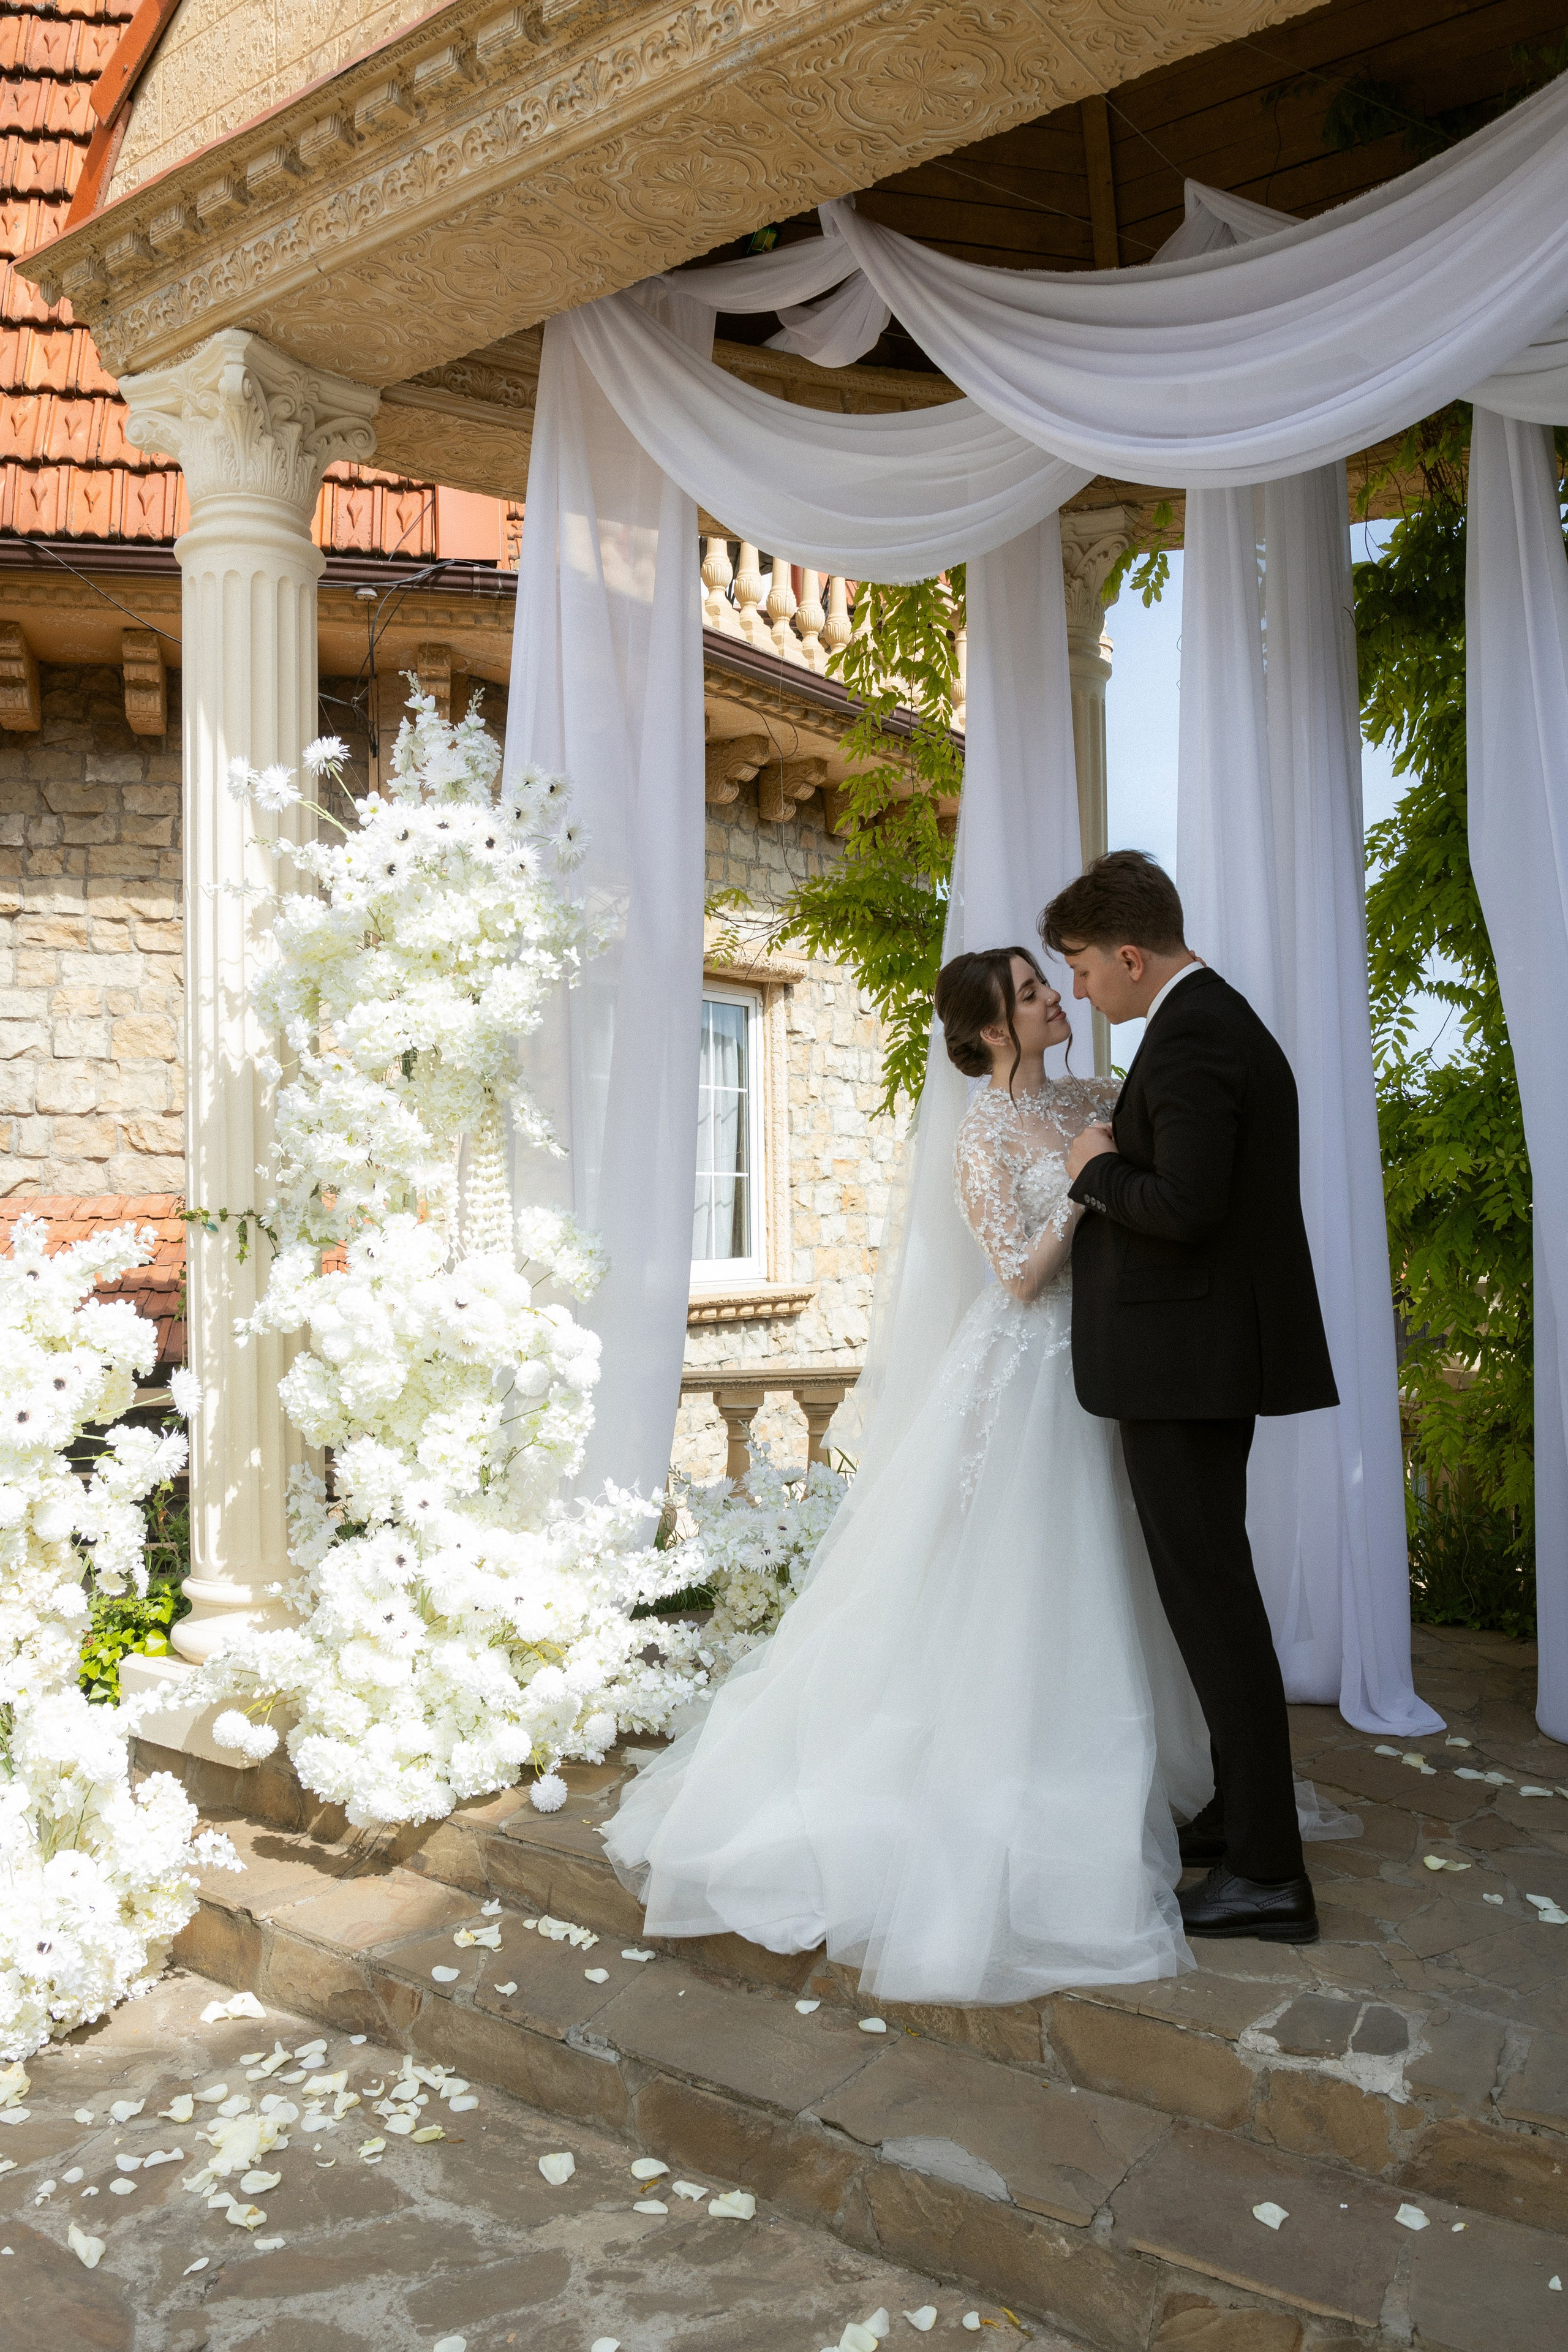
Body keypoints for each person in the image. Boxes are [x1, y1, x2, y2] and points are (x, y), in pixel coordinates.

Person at [603, 946, 1213, 2005]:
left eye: (1045, 983)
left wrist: (1101, 1159)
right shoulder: (980, 1137)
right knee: (1029, 1568)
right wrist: (1079, 1189)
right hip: (1029, 1373)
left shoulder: (1099, 1089)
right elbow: (1017, 1277)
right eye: (1030, 994)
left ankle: (1139, 1765)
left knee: (1121, 1560)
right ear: (988, 1033)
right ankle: (1025, 1769)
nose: (1052, 1000)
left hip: (1114, 1358)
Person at [1043, 850, 1338, 1946]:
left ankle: (1269, 1874)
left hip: (1188, 1368)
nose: (1078, 990)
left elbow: (1187, 1204)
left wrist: (1093, 1164)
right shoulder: (1201, 1023)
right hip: (1192, 1362)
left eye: (1079, 967)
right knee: (1212, 1604)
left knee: (1216, 1611)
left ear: (1128, 955)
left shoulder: (1197, 1031)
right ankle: (1240, 1816)